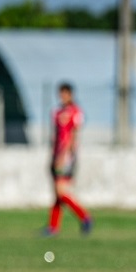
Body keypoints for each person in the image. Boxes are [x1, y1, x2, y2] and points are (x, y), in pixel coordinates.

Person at [42, 82, 93, 237]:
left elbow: (73, 134)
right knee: (57, 193)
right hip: (57, 154)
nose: (62, 97)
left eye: (64, 93)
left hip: (67, 156)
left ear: (70, 94)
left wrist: (64, 155)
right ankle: (53, 227)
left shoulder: (75, 112)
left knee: (61, 191)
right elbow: (55, 136)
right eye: (60, 93)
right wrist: (54, 155)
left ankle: (85, 217)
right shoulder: (56, 112)